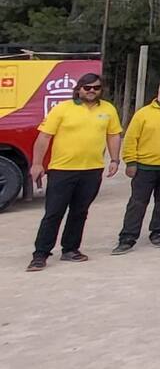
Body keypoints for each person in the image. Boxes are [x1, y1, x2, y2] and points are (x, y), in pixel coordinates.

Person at [27, 73, 122, 271]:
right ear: (79, 88)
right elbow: (44, 138)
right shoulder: (62, 109)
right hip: (62, 170)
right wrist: (37, 164)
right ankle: (40, 254)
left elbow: (113, 135)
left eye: (96, 88)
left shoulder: (108, 109)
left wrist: (114, 159)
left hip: (92, 170)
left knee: (80, 212)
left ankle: (70, 249)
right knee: (53, 213)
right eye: (87, 88)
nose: (92, 91)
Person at [113, 77, 160, 253]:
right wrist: (130, 161)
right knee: (137, 203)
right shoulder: (144, 113)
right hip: (145, 167)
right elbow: (131, 138)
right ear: (158, 91)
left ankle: (157, 233)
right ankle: (127, 238)